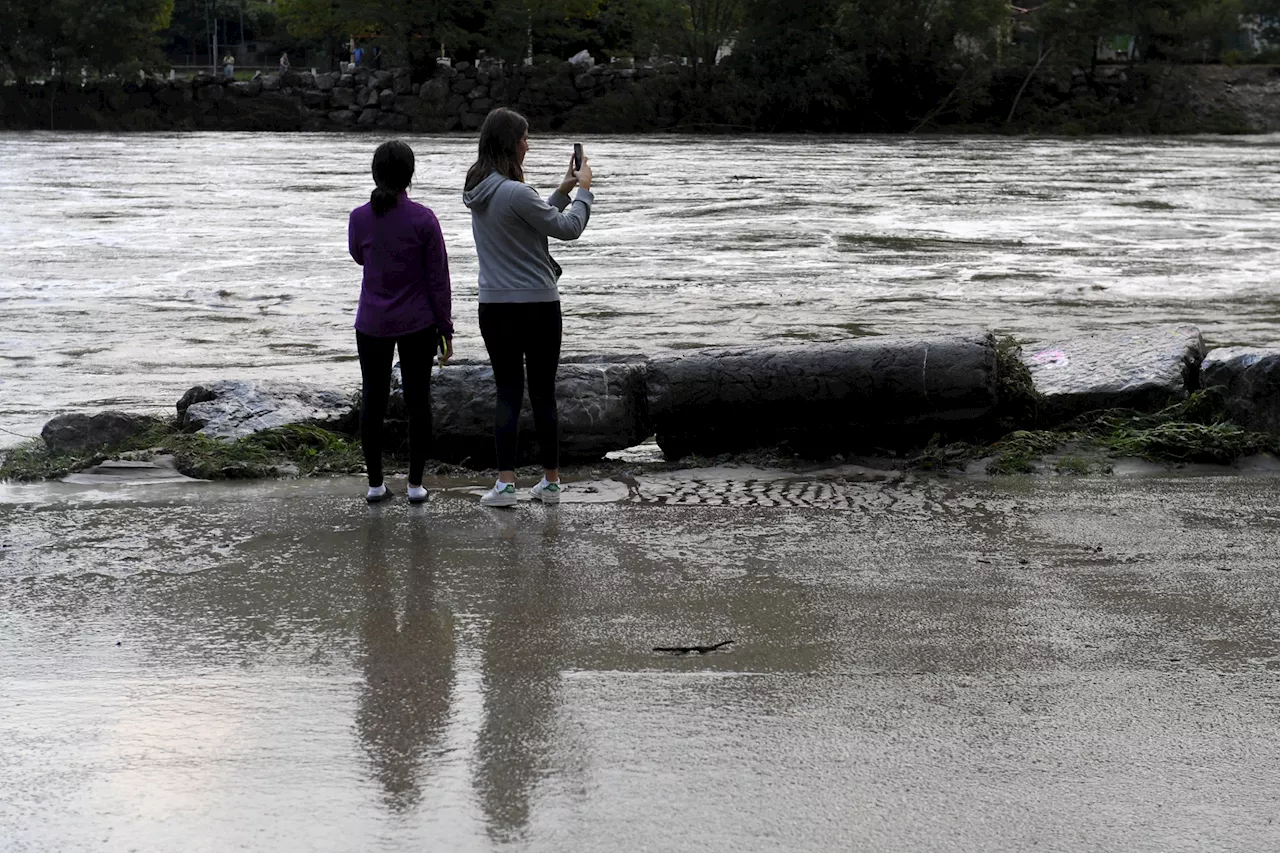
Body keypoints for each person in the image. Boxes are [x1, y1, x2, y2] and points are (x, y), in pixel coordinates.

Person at [462, 108, 593, 507]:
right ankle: (551, 483)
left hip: (495, 307)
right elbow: (567, 228)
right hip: (538, 305)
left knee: (507, 392)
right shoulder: (517, 192)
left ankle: (505, 486)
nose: (528, 144)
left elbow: (529, 218)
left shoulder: (479, 190)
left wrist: (562, 191)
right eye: (524, 137)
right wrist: (585, 191)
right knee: (542, 394)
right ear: (509, 143)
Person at [349, 140, 453, 505]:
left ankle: (375, 485)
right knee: (417, 402)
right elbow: (439, 280)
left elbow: (358, 257)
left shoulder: (359, 217)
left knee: (372, 400)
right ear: (410, 176)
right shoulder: (424, 219)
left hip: (372, 321)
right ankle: (414, 486)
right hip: (418, 322)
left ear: (375, 174)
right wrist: (446, 329)